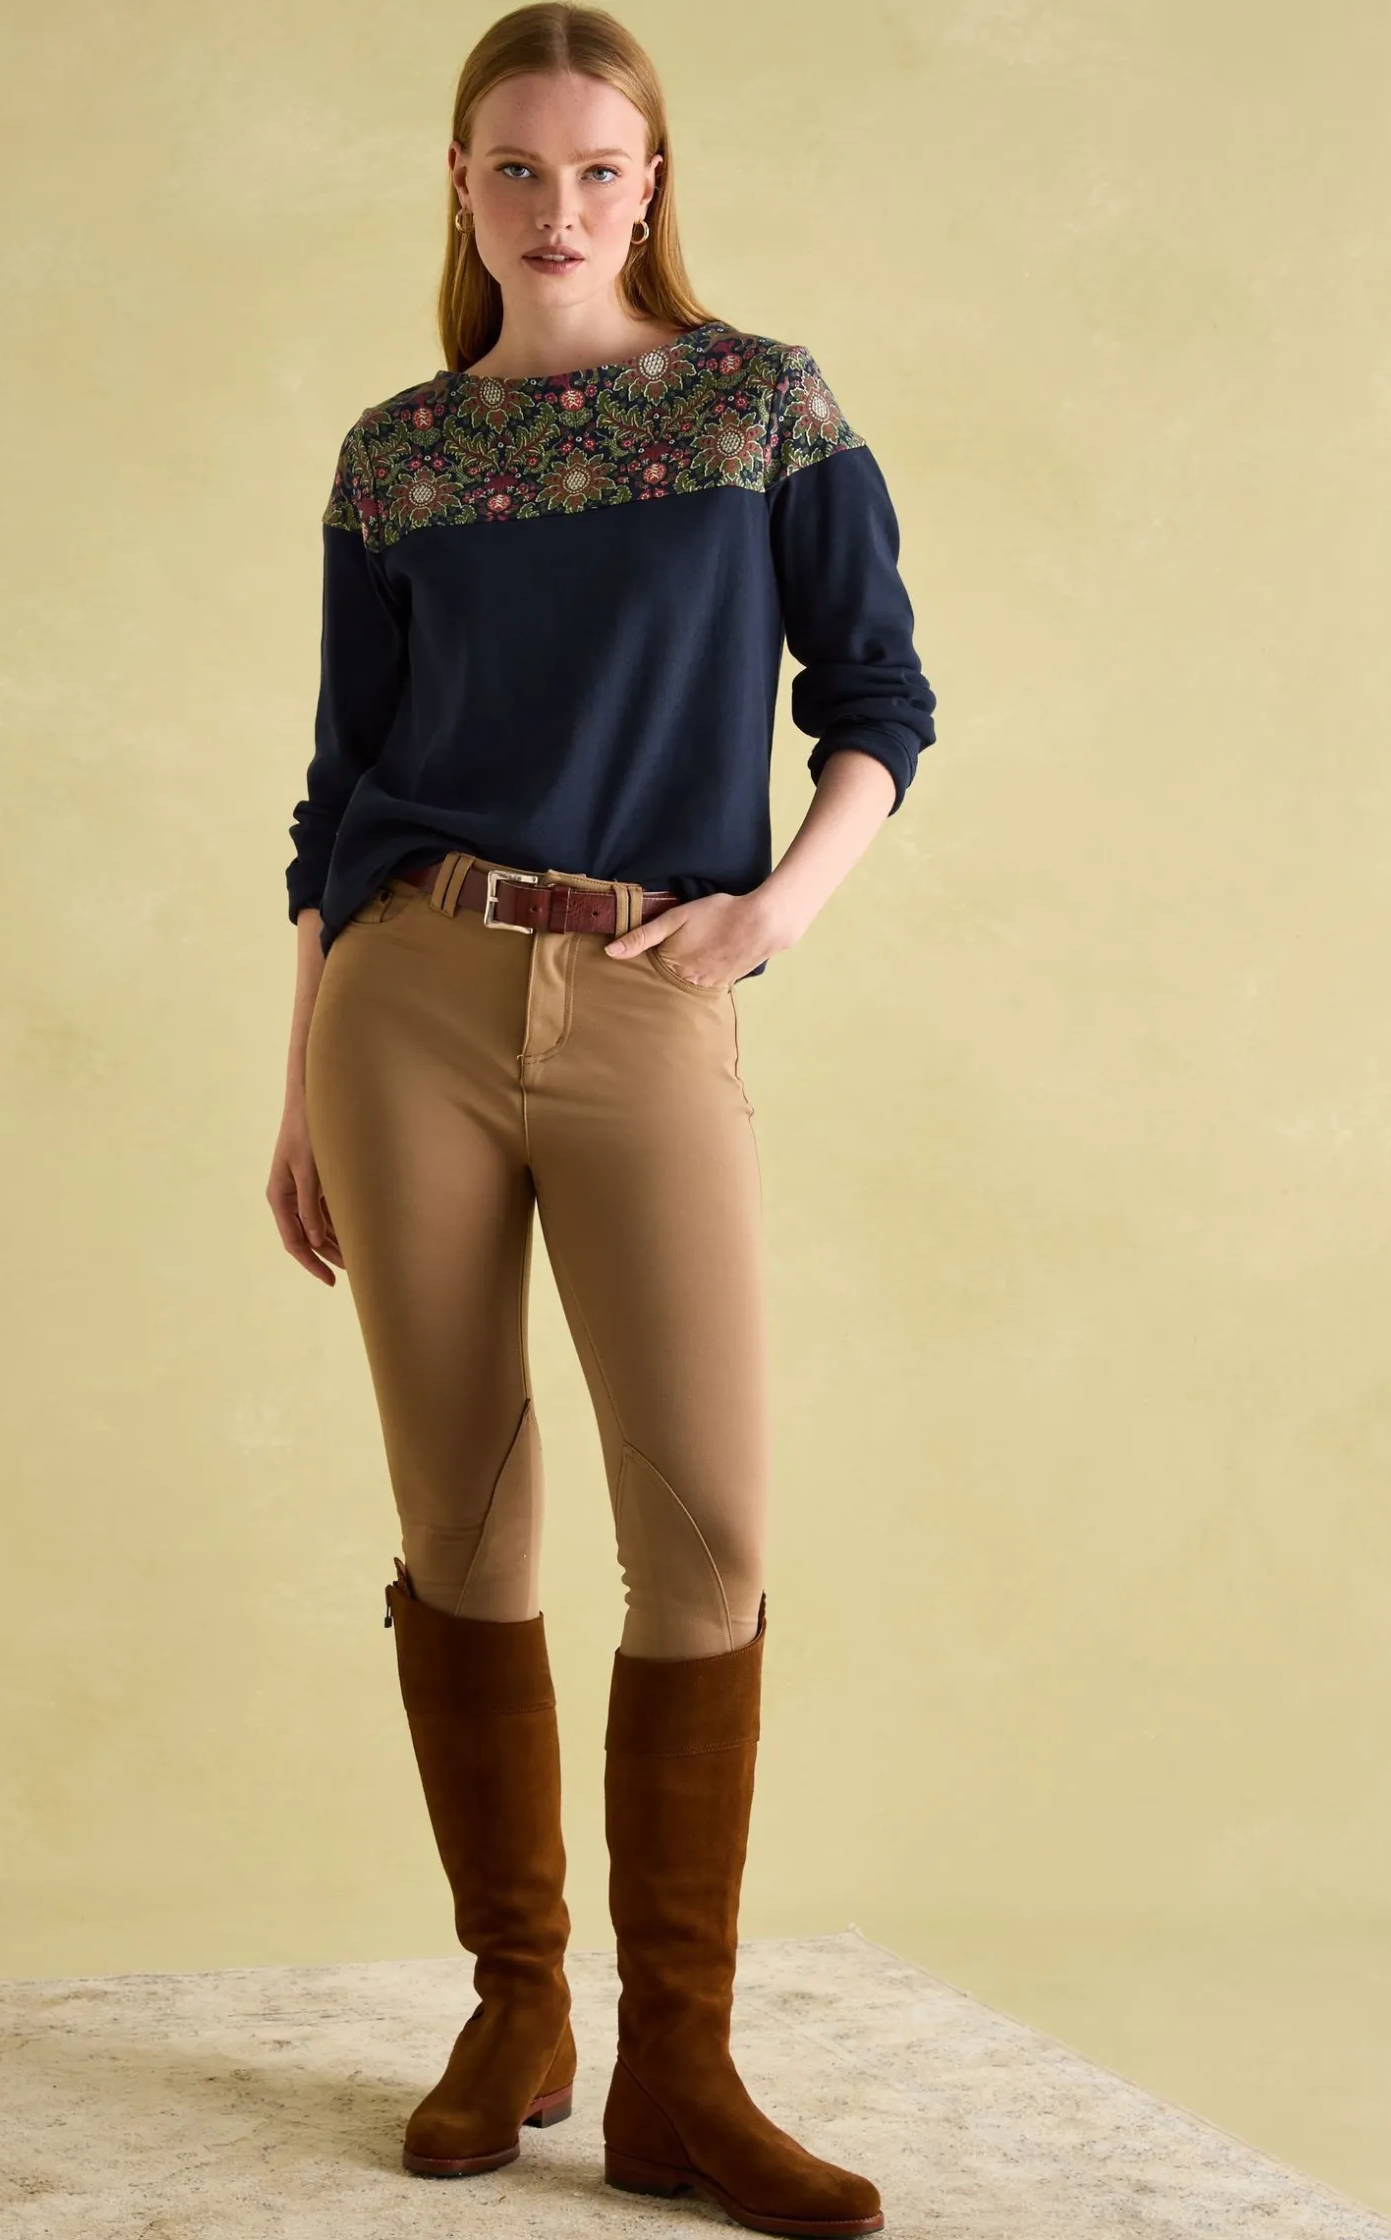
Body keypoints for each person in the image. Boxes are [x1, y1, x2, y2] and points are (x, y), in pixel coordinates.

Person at [267, 7, 935, 2234]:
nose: (558, 209)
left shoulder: (756, 408)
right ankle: (516, 2011)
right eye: (515, 168)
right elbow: (337, 795)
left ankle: (683, 2072)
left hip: (651, 990)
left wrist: (772, 917)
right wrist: (298, 1079)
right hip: (406, 1004)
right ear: (458, 186)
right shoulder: (398, 458)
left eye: (599, 168)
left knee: (707, 1533)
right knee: (462, 1525)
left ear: (653, 184)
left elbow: (879, 699)